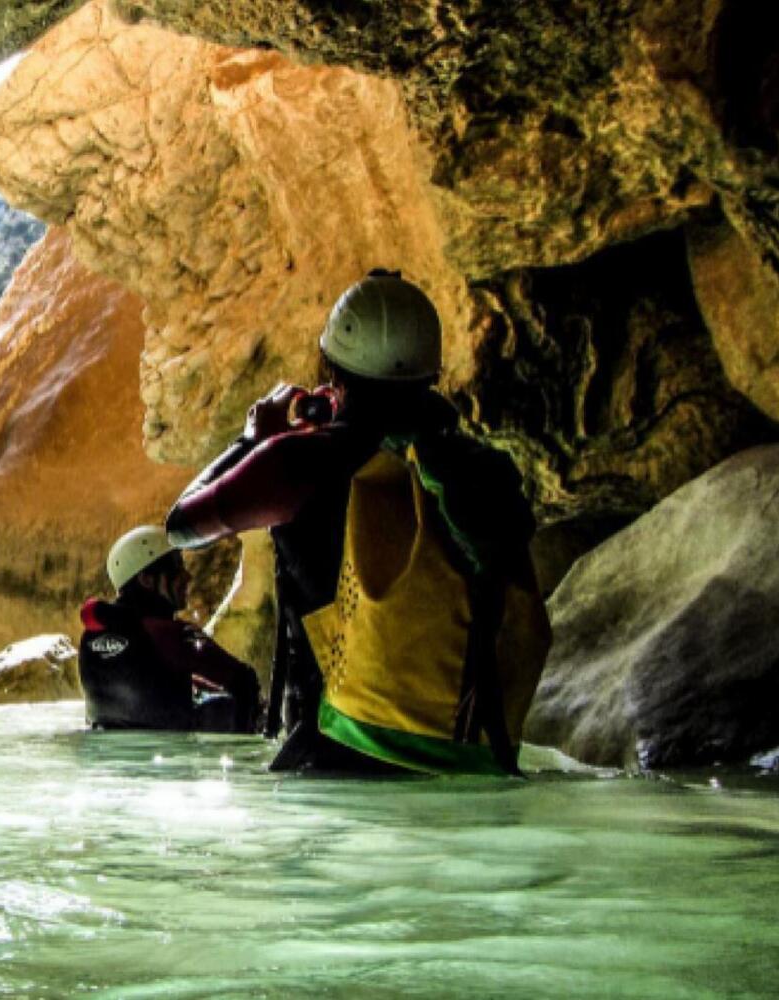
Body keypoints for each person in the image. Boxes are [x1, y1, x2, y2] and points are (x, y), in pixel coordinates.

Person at [165, 270, 551, 776]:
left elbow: (181, 526)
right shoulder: (477, 469)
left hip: (336, 759)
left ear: (331, 366)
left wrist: (254, 438)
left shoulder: (297, 463)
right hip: (473, 761)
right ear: (432, 372)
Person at [78, 526, 262, 733]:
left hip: (109, 756)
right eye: (176, 567)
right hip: (168, 757)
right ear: (147, 579)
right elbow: (243, 679)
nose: (187, 576)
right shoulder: (169, 633)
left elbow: (145, 680)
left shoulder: (90, 636)